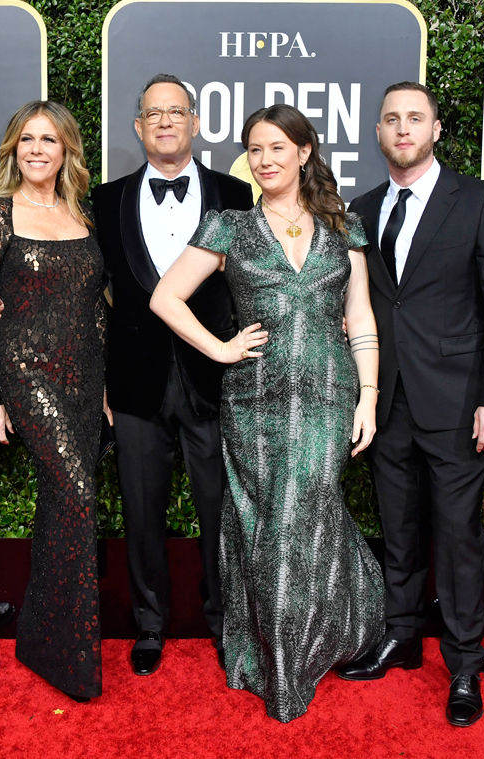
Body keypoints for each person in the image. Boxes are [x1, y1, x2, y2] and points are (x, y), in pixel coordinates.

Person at [150, 104, 385, 723]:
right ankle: (276, 664)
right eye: (255, 150)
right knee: (266, 524)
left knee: (304, 518)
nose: (265, 160)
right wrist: (221, 347)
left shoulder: (343, 226)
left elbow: (360, 317)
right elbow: (164, 297)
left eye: (278, 147)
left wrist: (369, 396)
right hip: (254, 401)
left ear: (304, 153)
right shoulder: (228, 226)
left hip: (330, 397)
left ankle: (312, 643)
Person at [340, 82, 484, 728]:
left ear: (437, 129)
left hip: (458, 404)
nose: (401, 129)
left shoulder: (480, 201)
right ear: (378, 130)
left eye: (414, 118)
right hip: (386, 401)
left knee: (457, 539)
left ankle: (465, 664)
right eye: (391, 119)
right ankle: (400, 635)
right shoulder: (359, 208)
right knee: (399, 533)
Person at [90, 74, 253, 676]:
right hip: (133, 382)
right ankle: (150, 624)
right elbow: (91, 298)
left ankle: (223, 622)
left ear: (196, 124)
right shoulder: (105, 202)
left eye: (176, 112)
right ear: (137, 127)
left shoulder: (237, 195)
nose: (164, 122)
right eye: (152, 114)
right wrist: (99, 381)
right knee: (141, 509)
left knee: (220, 509)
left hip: (214, 378)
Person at [0, 100, 106, 701]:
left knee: (61, 503)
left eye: (49, 140)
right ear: (13, 150)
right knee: (75, 494)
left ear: (66, 149)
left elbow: (97, 306)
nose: (37, 150)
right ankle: (70, 654)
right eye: (27, 141)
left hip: (84, 378)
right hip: (26, 373)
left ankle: (40, 636)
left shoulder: (81, 212)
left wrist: (102, 390)